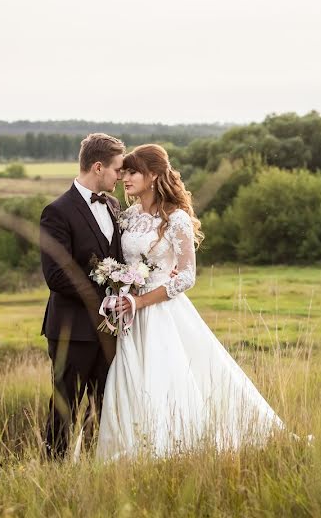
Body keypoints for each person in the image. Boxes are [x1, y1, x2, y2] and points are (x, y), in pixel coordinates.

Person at [95, 144, 283, 461]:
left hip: (160, 313)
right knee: (130, 382)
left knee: (165, 380)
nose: (125, 178)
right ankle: (130, 451)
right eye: (124, 171)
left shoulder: (176, 219)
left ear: (153, 175)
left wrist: (139, 302)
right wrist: (119, 284)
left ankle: (174, 449)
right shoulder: (128, 216)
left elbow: (185, 277)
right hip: (130, 315)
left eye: (133, 171)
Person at [40, 133, 125, 459]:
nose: (121, 176)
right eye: (118, 169)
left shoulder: (114, 205)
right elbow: (57, 275)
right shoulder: (57, 212)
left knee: (108, 408)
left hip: (111, 333)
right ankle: (53, 471)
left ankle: (99, 469)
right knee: (65, 407)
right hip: (71, 332)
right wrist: (103, 299)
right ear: (98, 166)